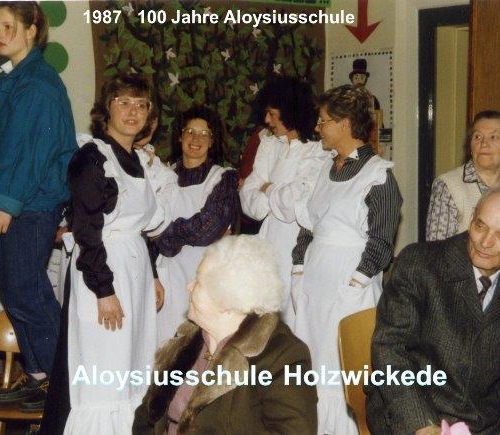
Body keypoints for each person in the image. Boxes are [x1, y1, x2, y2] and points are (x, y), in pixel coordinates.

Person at [0, 1, 76, 410]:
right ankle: (40, 374)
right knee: (15, 291)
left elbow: (28, 153)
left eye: (9, 26)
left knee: (26, 291)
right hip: (16, 204)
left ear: (32, 31)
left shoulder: (39, 84)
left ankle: (64, 385)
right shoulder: (11, 81)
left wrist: (6, 204)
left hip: (30, 205)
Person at [367, 188, 500, 435]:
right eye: (480, 226)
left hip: (490, 421)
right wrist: (422, 424)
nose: (485, 242)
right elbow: (389, 349)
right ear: (472, 217)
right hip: (415, 410)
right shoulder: (419, 264)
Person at [41, 74, 166, 435]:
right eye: (123, 102)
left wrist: (153, 275)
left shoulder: (138, 160)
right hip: (102, 274)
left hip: (135, 274)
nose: (133, 111)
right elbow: (86, 232)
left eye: (141, 105)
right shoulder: (92, 159)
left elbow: (142, 228)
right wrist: (104, 291)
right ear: (106, 108)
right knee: (104, 365)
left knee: (133, 362)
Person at [291, 84, 402, 434]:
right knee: (313, 361)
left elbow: (382, 240)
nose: (318, 127)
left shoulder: (379, 175)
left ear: (344, 123)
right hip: (315, 283)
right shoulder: (323, 169)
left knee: (344, 368)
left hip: (351, 284)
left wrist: (357, 282)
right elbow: (308, 224)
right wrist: (298, 269)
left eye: (323, 121)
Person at [132, 235, 318, 434]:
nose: (189, 286)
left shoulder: (282, 357)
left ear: (226, 302)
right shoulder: (187, 340)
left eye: (198, 281)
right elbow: (146, 419)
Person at [239, 76, 328, 324]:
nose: (267, 120)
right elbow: (249, 200)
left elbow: (294, 204)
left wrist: (267, 188)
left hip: (298, 244)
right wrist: (271, 196)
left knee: (293, 317)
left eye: (272, 113)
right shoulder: (269, 144)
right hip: (268, 240)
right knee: (262, 314)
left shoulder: (318, 150)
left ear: (289, 111)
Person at [153, 105, 239, 344]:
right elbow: (147, 221)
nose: (196, 139)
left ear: (212, 141)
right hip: (166, 275)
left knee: (200, 344)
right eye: (190, 131)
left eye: (204, 134)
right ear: (180, 137)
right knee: (164, 343)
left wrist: (163, 236)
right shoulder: (163, 175)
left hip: (204, 273)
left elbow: (209, 227)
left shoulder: (222, 178)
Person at [426, 110, 500, 272]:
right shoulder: (448, 185)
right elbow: (438, 250)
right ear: (470, 147)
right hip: (461, 278)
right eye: (477, 137)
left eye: (494, 137)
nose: (484, 144)